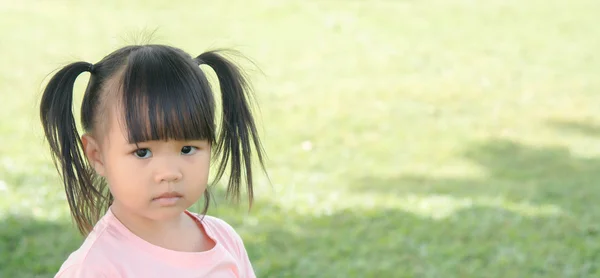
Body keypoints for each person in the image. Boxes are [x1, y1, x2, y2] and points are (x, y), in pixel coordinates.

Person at [39, 44, 267, 277]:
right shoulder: (96, 268)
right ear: (97, 156)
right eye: (142, 152)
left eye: (187, 149)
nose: (169, 173)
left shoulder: (224, 240)